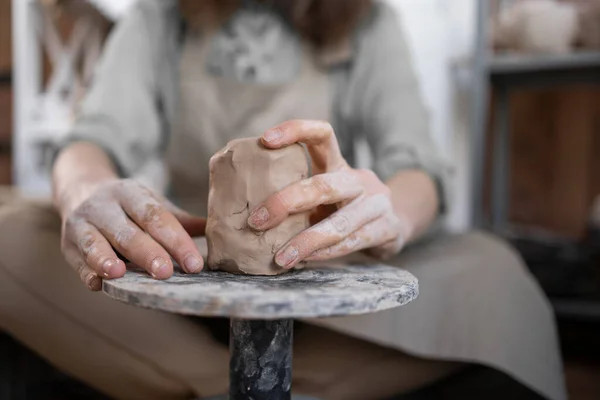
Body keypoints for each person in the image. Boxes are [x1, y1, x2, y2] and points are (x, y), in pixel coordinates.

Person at [0, 0, 566, 399]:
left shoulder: (369, 23)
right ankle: (263, 385)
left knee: (493, 271)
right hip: (190, 263)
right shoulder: (160, 19)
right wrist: (85, 190)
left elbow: (417, 165)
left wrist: (390, 211)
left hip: (322, 270)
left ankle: (209, 383)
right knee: (12, 229)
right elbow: (91, 139)